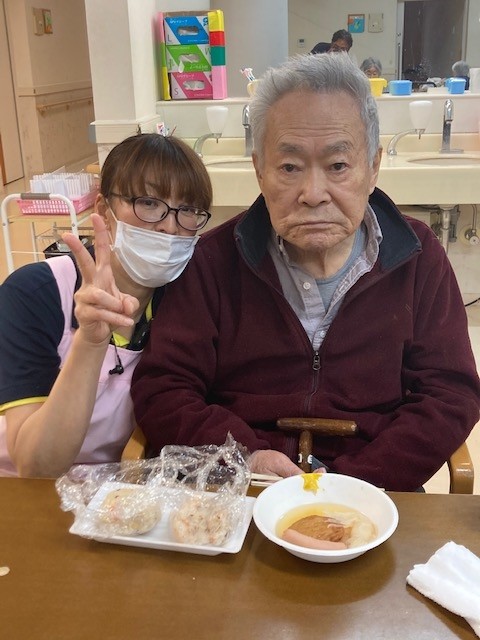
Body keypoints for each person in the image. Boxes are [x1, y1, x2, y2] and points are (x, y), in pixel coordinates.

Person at [132, 53, 480, 492]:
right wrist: (246, 456)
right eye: (289, 167)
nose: (313, 194)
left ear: (373, 167)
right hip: (243, 487)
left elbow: (450, 394)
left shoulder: (417, 256)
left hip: (374, 490)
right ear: (259, 171)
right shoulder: (212, 262)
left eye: (338, 166)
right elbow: (164, 388)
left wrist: (354, 482)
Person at [0, 133, 212, 477]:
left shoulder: (183, 299)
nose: (169, 227)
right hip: (21, 492)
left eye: (187, 210)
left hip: (112, 493)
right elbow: (35, 466)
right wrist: (90, 341)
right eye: (149, 203)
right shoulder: (35, 294)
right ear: (103, 210)